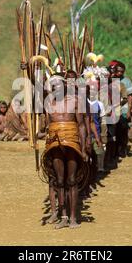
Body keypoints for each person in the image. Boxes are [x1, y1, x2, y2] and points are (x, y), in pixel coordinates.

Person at [41, 73, 89, 229]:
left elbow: (81, 125)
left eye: (59, 85)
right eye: (53, 86)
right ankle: (63, 217)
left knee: (72, 180)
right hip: (55, 144)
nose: (57, 88)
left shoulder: (75, 101)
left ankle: (74, 218)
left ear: (65, 86)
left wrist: (83, 147)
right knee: (59, 181)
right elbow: (48, 127)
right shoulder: (48, 104)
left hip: (72, 142)